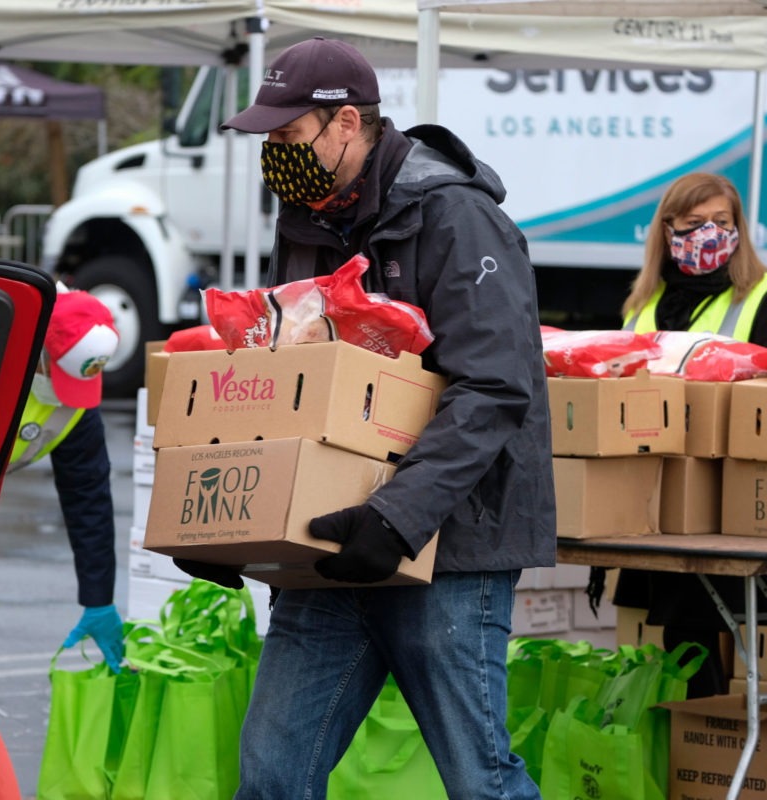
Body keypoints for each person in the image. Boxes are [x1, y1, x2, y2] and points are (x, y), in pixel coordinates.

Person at [177, 37, 555, 800]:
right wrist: (235, 528)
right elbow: (293, 375)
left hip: (448, 546)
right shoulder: (308, 217)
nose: (274, 157)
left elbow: (495, 387)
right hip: (329, 549)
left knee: (480, 780)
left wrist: (395, 516)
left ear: (345, 124)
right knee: (272, 779)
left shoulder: (456, 217)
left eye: (287, 138)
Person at [610, 172, 767, 698]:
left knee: (701, 634)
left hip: (724, 494)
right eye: (695, 224)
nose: (710, 233)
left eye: (722, 222)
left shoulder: (763, 296)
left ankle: (707, 756)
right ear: (668, 231)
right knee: (672, 639)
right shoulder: (642, 303)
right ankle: (679, 756)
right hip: (653, 490)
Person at [0, 288, 125, 674]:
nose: (67, 398)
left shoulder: (78, 409)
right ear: (39, 351)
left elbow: (88, 496)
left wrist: (99, 599)